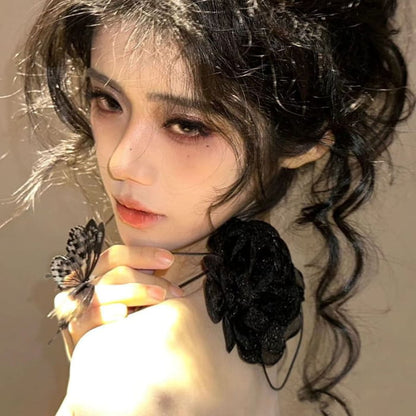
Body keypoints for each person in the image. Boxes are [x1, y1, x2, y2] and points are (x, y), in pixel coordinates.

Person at [16, 0, 413, 415]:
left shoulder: (132, 378)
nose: (121, 162)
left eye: (187, 125)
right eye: (107, 100)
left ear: (303, 144)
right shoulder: (257, 295)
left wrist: (103, 367)